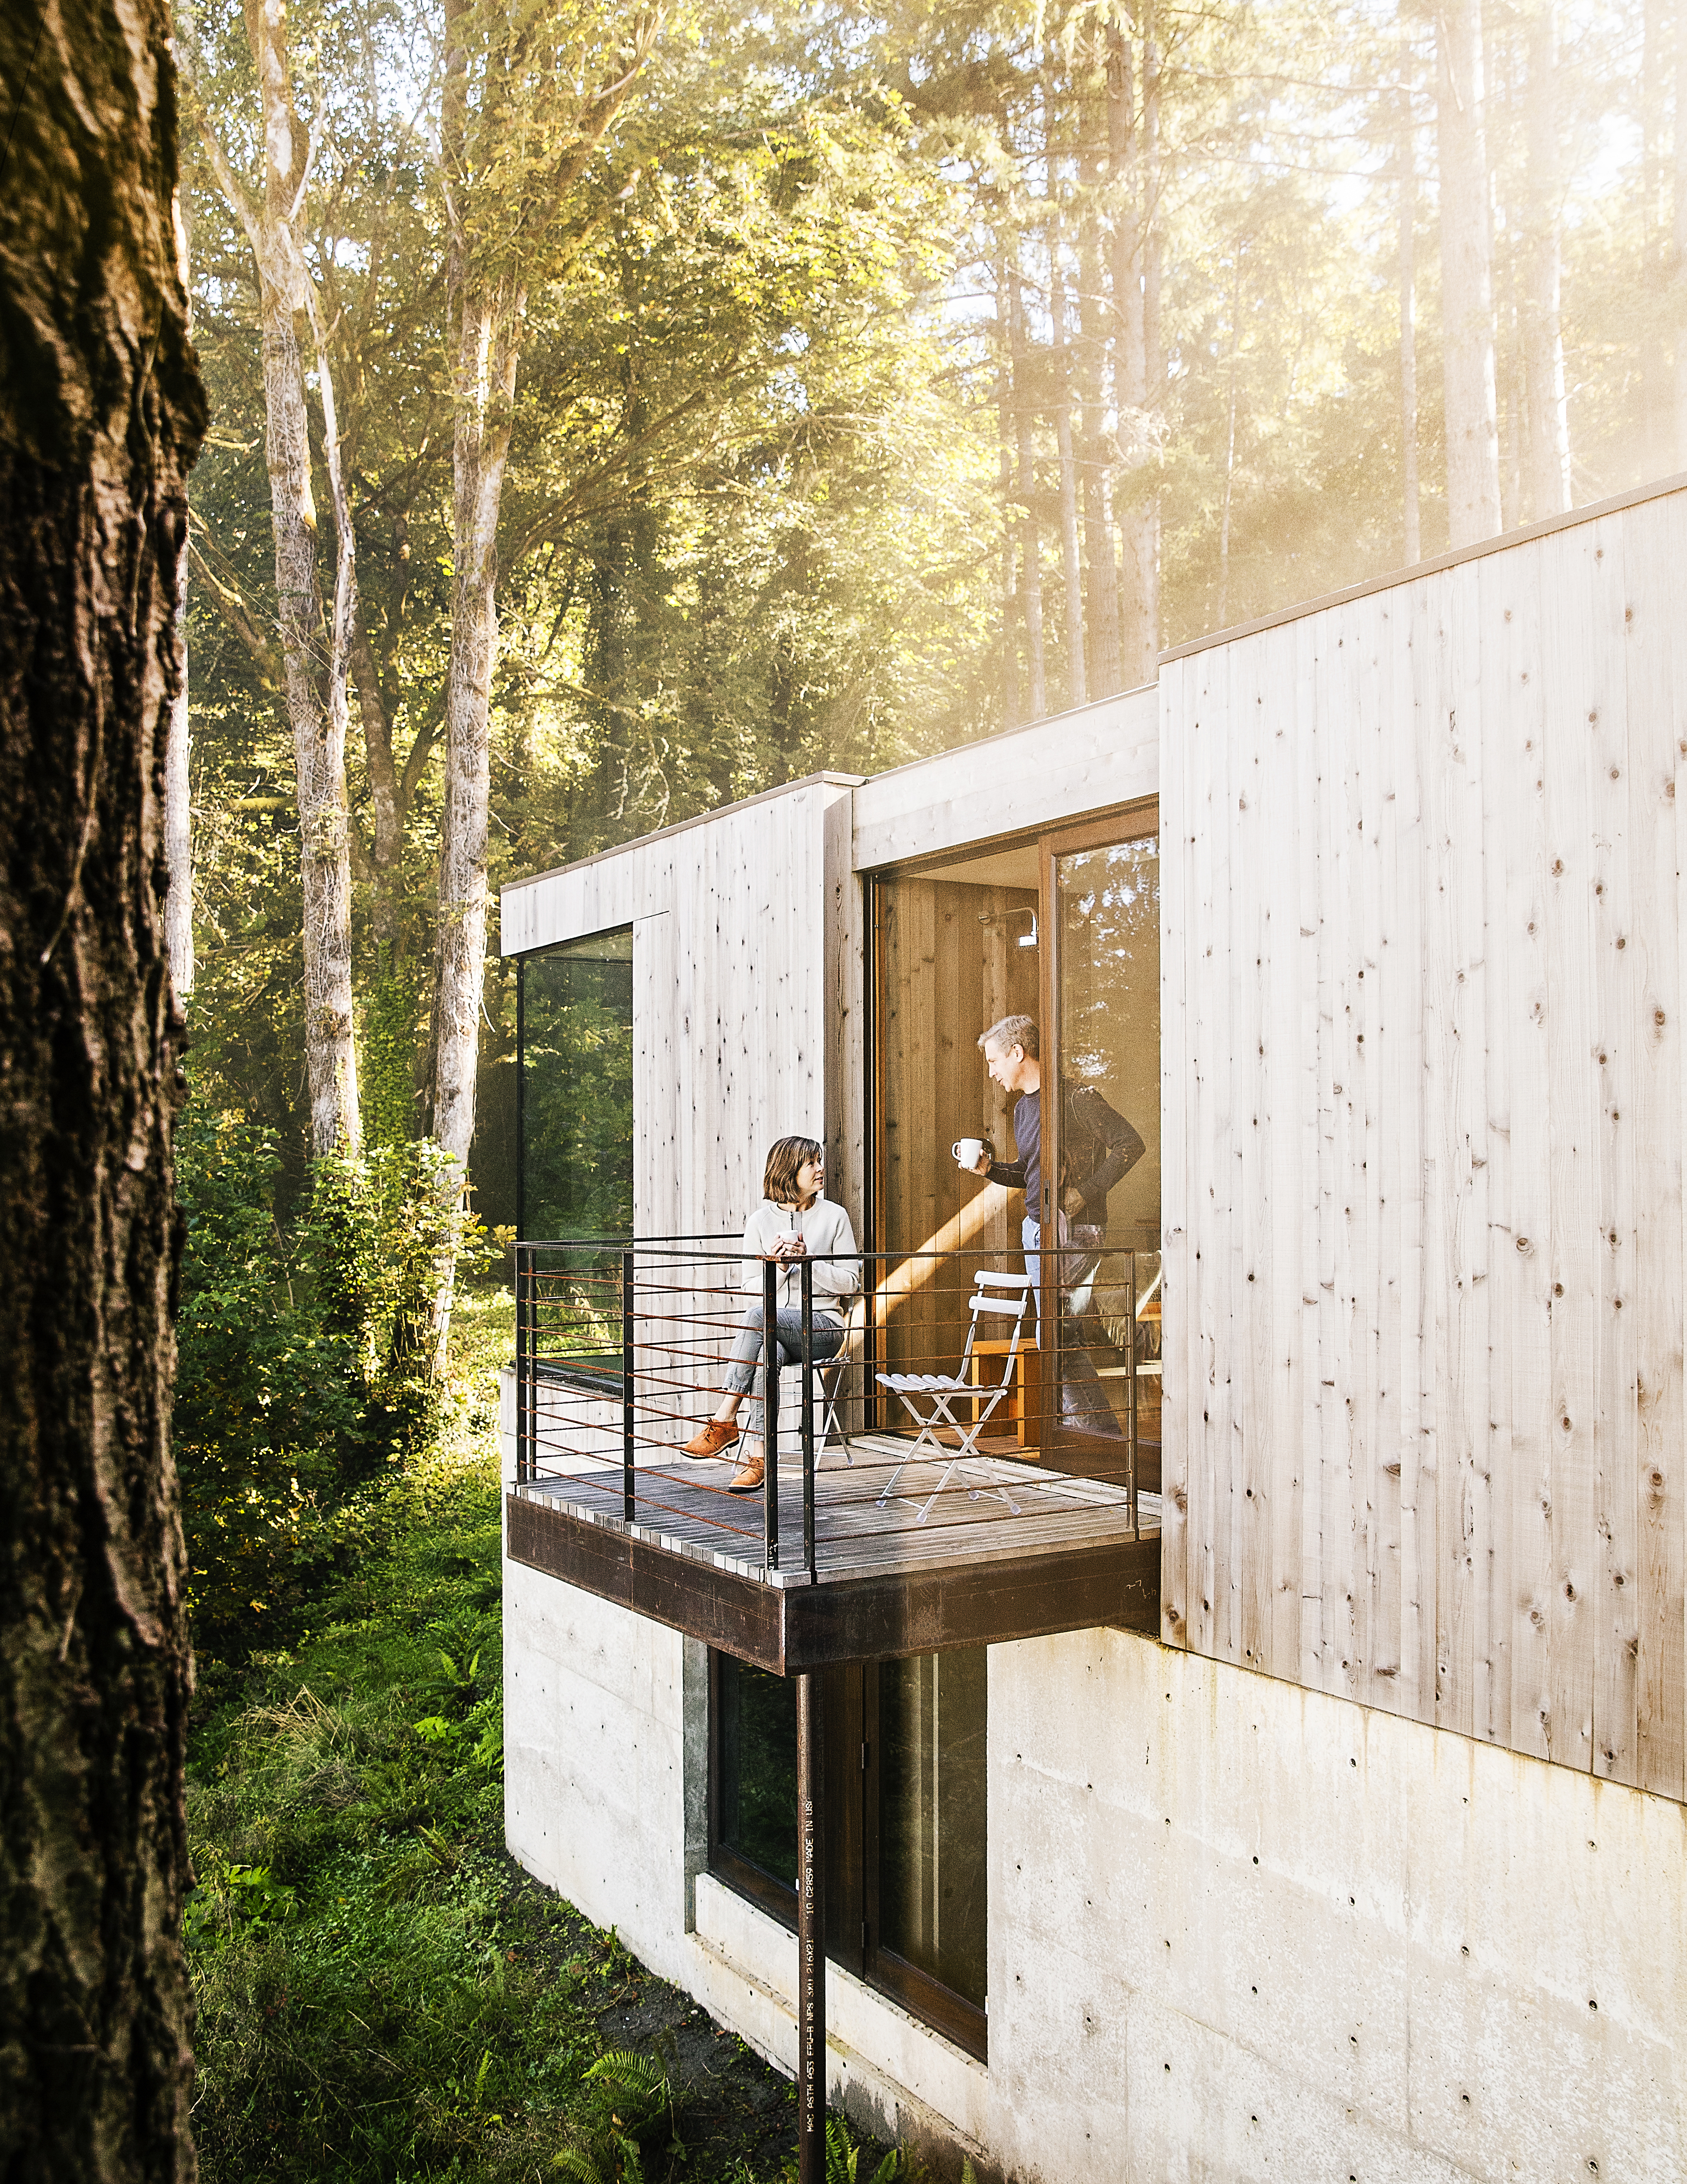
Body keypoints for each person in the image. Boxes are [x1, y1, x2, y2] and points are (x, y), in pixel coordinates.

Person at [965, 1014, 1143, 1433]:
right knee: (1063, 1335)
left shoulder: (1076, 1098)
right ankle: (1089, 1435)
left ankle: (1095, 1438)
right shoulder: (1025, 1108)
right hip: (1038, 1229)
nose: (991, 1072)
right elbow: (1030, 1174)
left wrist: (1087, 1192)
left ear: (1017, 1052)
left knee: (1058, 1338)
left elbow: (1129, 1144)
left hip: (1077, 1231)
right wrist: (991, 1169)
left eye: (994, 1061)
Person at [683, 1135, 859, 1494]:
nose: (820, 1168)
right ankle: (759, 1458)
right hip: (775, 1331)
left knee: (759, 1314)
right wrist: (778, 1268)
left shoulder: (834, 1216)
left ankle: (725, 1416)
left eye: (819, 1160)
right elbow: (749, 1287)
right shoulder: (760, 1222)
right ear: (787, 1170)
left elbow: (851, 1282)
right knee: (766, 1354)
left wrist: (808, 1263)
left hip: (823, 1328)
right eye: (811, 1163)